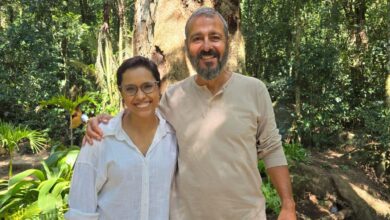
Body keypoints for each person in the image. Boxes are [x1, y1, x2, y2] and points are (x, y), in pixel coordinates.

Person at [85, 7, 296, 220]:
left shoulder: (254, 90)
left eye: (215, 37)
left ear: (228, 44)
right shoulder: (173, 97)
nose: (206, 46)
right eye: (197, 39)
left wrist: (288, 206)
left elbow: (271, 148)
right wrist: (104, 123)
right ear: (187, 47)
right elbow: (140, 117)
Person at [65, 56, 177, 219]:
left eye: (147, 87)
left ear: (158, 87)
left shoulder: (173, 136)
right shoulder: (99, 138)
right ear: (121, 93)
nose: (140, 96)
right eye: (130, 89)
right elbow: (80, 209)